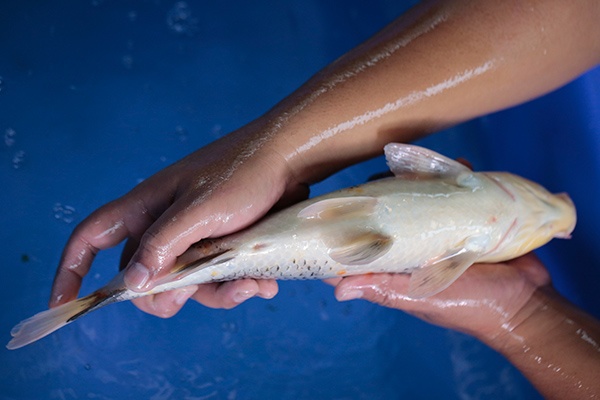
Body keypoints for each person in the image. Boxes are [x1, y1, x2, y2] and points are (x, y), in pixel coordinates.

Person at [49, 0, 600, 398]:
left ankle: (106, 297)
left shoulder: (484, 200)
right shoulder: (495, 227)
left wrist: (522, 315)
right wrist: (281, 153)